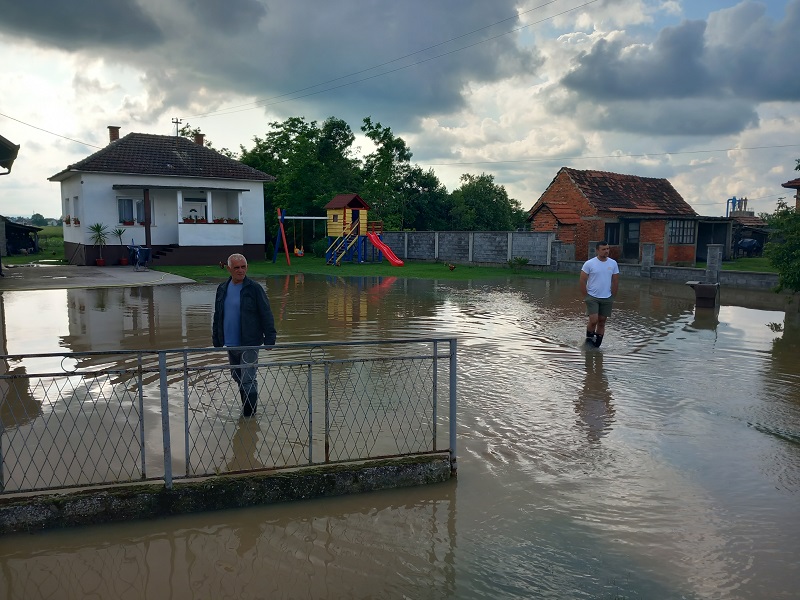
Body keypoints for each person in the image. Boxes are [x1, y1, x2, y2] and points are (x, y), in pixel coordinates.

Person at [212, 253, 277, 417]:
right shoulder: (222, 288)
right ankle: (247, 410)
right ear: (229, 269)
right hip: (230, 342)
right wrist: (216, 339)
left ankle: (249, 418)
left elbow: (266, 313)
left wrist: (270, 338)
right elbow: (218, 315)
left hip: (249, 342)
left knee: (248, 379)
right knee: (237, 376)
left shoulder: (254, 289)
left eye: (243, 267)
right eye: (236, 268)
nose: (241, 271)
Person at [579, 241, 619, 348]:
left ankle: (597, 346)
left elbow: (615, 281)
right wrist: (586, 296)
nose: (606, 251)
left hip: (607, 297)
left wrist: (612, 296)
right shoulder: (589, 263)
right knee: (593, 320)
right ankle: (588, 342)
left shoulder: (613, 263)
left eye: (607, 249)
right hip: (592, 297)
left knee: (602, 321)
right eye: (604, 249)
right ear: (597, 250)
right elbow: (582, 280)